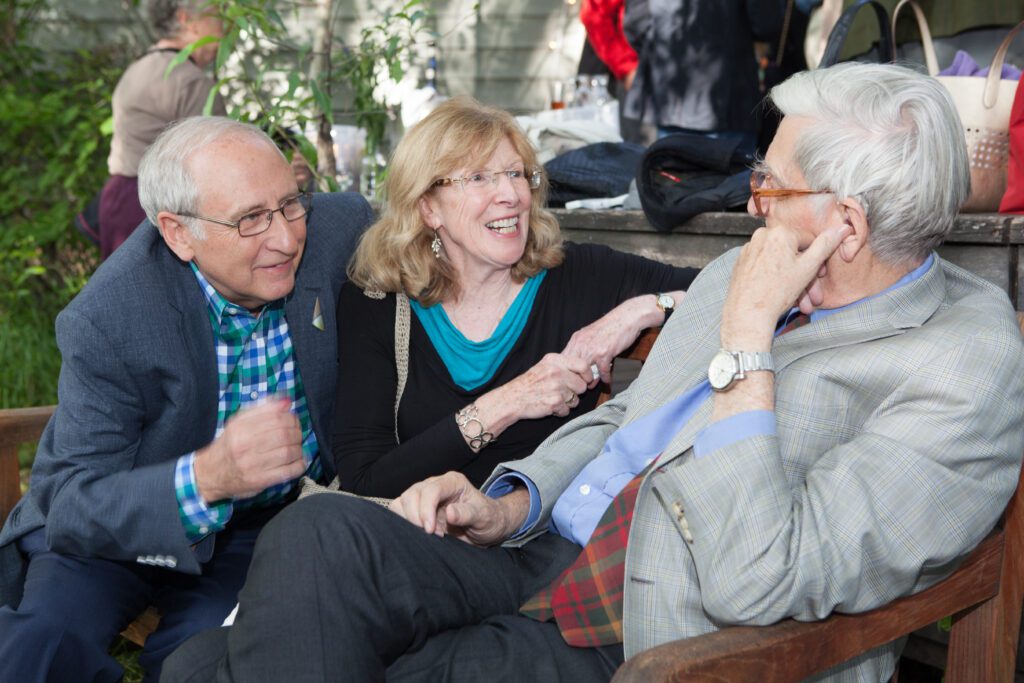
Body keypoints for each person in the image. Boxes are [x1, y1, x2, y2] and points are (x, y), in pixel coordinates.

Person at [163, 63, 1024, 683]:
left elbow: (761, 575)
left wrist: (750, 347)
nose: (751, 199)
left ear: (845, 223)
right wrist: (508, 502)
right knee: (315, 537)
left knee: (211, 663)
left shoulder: (962, 370)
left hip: (656, 626)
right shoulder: (748, 269)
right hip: (544, 544)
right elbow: (624, 421)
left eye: (770, 186)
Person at [0, 117, 372, 682]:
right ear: (178, 233)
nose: (285, 238)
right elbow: (71, 499)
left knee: (203, 657)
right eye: (251, 218)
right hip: (111, 527)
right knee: (41, 647)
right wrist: (207, 478)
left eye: (289, 204)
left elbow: (431, 231)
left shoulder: (338, 230)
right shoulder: (110, 316)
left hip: (254, 530)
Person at [331, 97, 697, 498]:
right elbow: (364, 480)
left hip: (541, 546)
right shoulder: (378, 303)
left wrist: (643, 308)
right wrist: (510, 401)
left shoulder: (579, 275)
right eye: (478, 178)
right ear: (428, 208)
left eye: (515, 173)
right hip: (416, 542)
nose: (510, 194)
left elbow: (742, 277)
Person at [99, 0, 227, 259]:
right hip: (155, 212)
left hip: (118, 202)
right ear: (186, 20)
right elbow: (218, 164)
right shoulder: (189, 81)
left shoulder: (137, 68)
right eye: (216, 18)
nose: (223, 30)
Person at [622, 0, 786, 149]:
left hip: (674, 98)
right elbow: (767, 24)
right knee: (729, 179)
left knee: (673, 178)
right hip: (728, 103)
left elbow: (635, 23)